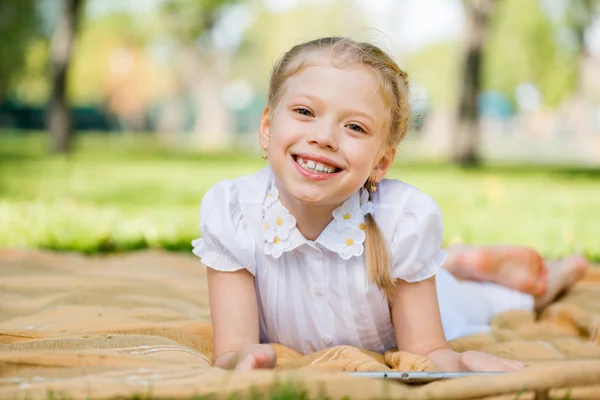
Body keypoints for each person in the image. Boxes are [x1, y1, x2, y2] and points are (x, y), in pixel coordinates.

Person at [191, 37, 589, 373]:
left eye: (354, 127)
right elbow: (232, 350)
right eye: (304, 112)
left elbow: (428, 349)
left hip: (431, 302)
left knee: (489, 301)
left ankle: (549, 280)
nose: (324, 137)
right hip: (409, 274)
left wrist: (462, 364)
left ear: (381, 162)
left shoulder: (401, 222)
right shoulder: (235, 213)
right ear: (266, 128)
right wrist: (243, 358)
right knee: (441, 273)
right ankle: (455, 261)